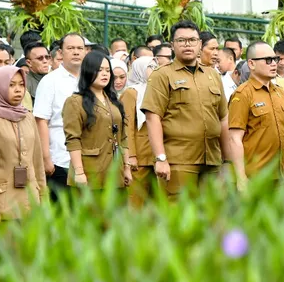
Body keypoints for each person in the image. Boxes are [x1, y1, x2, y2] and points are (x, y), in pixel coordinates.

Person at [141, 20, 231, 198]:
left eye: (192, 40)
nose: (187, 44)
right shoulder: (162, 75)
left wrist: (227, 161)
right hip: (178, 161)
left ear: (199, 44)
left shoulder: (213, 75)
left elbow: (223, 119)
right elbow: (153, 118)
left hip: (212, 160)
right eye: (181, 40)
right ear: (173, 45)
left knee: (212, 217)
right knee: (179, 218)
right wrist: (161, 158)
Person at [0, 66, 44, 221]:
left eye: (21, 84)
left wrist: (43, 196)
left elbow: (37, 161)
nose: (18, 90)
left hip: (30, 201)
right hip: (2, 204)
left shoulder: (27, 116)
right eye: (11, 85)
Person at [227, 42, 284, 193]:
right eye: (268, 60)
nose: (274, 64)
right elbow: (234, 139)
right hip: (254, 176)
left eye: (275, 59)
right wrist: (241, 177)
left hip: (279, 176)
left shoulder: (280, 93)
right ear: (251, 64)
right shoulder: (243, 94)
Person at [63, 52, 131, 190]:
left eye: (107, 70)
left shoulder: (113, 101)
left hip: (115, 171)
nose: (105, 74)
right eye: (99, 70)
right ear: (88, 71)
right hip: (90, 171)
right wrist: (79, 171)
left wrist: (127, 167)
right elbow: (73, 139)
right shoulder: (75, 102)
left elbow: (123, 137)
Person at [34, 33, 85, 196]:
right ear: (61, 53)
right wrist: (46, 158)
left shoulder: (90, 80)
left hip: (87, 160)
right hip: (59, 159)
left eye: (80, 48)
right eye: (70, 48)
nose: (76, 52)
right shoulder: (50, 81)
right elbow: (41, 120)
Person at [120, 56, 157, 207]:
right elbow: (126, 127)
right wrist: (131, 156)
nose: (154, 70)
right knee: (136, 201)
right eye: (150, 67)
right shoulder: (131, 93)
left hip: (155, 156)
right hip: (139, 158)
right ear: (140, 69)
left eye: (156, 67)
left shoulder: (156, 90)